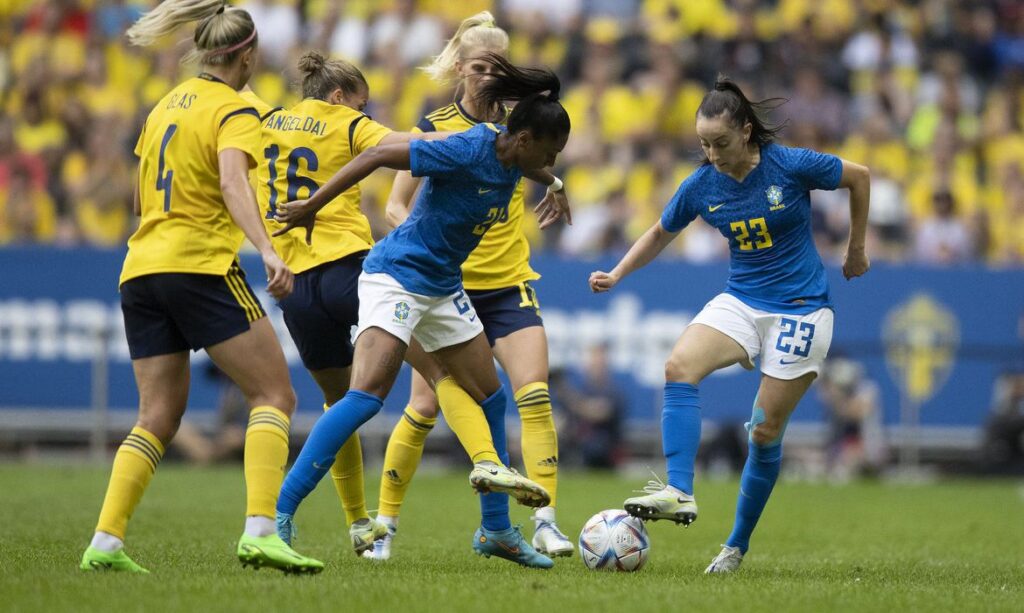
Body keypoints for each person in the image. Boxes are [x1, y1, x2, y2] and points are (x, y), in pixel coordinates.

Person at [272, 53, 571, 569]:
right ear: (522, 139)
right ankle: (280, 514)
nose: (553, 160)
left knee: (491, 398)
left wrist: (556, 184)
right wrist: (311, 207)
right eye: (551, 152)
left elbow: (536, 168)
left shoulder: (514, 155)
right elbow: (377, 156)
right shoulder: (465, 148)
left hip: (441, 285)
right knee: (365, 398)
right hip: (396, 277)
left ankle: (496, 530)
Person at [590, 77, 870, 574]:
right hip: (742, 299)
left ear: (745, 131)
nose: (712, 154)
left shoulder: (790, 164)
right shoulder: (702, 185)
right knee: (678, 366)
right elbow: (660, 231)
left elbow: (861, 176)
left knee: (763, 432)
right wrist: (617, 272)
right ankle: (679, 489)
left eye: (720, 143)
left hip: (802, 308)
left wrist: (856, 248)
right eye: (703, 144)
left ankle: (735, 546)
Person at [79, 0, 322, 574]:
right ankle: (261, 530)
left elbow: (141, 199)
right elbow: (232, 180)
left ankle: (105, 542)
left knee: (157, 416)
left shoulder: (164, 106)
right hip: (199, 265)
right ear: (246, 55)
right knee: (275, 395)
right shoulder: (234, 110)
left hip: (141, 267)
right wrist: (265, 248)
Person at [363, 11, 573, 563]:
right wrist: (405, 233)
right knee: (424, 405)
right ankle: (384, 526)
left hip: (506, 282)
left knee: (534, 391)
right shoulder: (435, 126)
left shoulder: (518, 128)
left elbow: (536, 161)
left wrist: (556, 179)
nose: (488, 75)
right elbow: (394, 201)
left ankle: (545, 519)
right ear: (459, 67)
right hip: (443, 288)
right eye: (480, 65)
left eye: (498, 66)